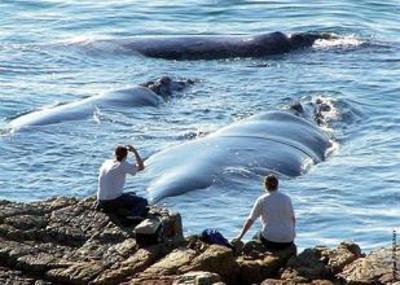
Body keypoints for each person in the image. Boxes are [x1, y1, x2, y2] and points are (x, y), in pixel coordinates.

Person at [232, 175, 296, 250]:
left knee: (256, 236)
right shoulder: (287, 199)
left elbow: (250, 220)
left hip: (271, 241)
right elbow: (293, 219)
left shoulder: (262, 200)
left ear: (265, 185)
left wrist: (240, 236)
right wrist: (289, 233)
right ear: (277, 185)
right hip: (288, 241)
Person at [97, 144, 148, 217]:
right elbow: (141, 167)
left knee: (132, 193)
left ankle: (111, 208)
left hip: (101, 200)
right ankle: (131, 215)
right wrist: (135, 152)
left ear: (115, 153)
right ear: (126, 156)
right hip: (111, 202)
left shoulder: (107, 162)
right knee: (143, 201)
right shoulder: (122, 165)